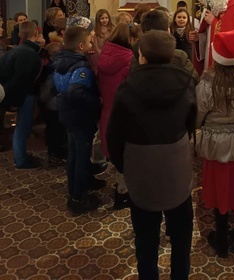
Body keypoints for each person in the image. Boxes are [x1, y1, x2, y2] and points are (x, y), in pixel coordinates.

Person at [107, 30, 197, 280]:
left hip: (140, 168)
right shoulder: (186, 82)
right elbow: (192, 123)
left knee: (145, 240)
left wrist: (122, 165)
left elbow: (114, 134)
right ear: (171, 56)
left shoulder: (128, 87)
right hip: (176, 165)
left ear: (141, 56)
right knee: (181, 237)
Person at [196, 29, 234, 258]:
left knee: (220, 186)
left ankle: (221, 239)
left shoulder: (208, 82)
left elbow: (199, 113)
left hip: (216, 142)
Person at [52, 27, 104, 215]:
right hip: (80, 116)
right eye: (89, 42)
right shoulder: (81, 67)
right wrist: (97, 101)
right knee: (80, 156)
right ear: (81, 46)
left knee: (74, 153)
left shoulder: (61, 60)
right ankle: (79, 197)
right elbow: (76, 92)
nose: (91, 45)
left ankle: (77, 187)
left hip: (66, 114)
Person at [98, 23, 134, 210]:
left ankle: (121, 190)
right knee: (126, 157)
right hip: (124, 115)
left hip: (108, 112)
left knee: (116, 155)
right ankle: (123, 195)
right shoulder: (129, 61)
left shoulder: (105, 54)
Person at [0, 21, 43, 169]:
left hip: (15, 93)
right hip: (25, 95)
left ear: (20, 35)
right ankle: (21, 159)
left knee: (22, 127)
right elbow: (21, 80)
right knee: (23, 127)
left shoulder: (16, 50)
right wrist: (13, 101)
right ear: (36, 34)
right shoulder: (28, 54)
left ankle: (21, 156)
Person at [129, 9, 198, 82]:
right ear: (168, 30)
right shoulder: (179, 57)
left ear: (143, 31)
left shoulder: (135, 55)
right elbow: (194, 80)